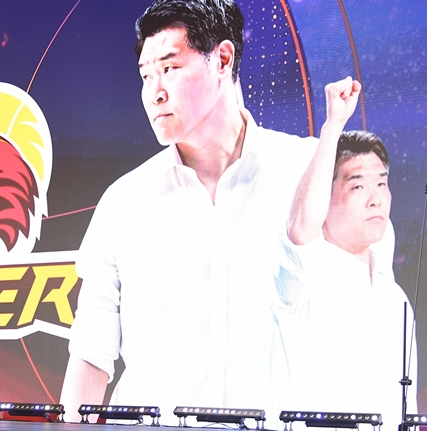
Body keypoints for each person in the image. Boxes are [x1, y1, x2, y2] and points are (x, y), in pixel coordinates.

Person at [60, 0, 330, 425]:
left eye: (170, 68)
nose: (155, 92)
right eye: (146, 75)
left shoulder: (306, 169)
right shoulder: (124, 202)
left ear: (222, 59)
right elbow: (91, 353)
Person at [275, 79, 417, 428]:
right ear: (325, 196)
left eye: (381, 183)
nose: (375, 198)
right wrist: (333, 124)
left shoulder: (396, 299)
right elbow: (301, 229)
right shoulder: (305, 279)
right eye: (358, 186)